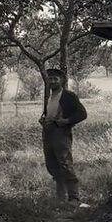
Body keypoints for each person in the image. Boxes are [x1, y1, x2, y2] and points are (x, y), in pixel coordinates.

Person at [39, 68, 87, 203]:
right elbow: (49, 112)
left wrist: (66, 121)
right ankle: (61, 197)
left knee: (65, 164)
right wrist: (43, 119)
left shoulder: (68, 96)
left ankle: (74, 198)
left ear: (62, 80)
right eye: (50, 78)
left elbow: (82, 114)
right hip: (48, 133)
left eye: (55, 78)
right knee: (52, 165)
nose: (52, 81)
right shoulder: (49, 96)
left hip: (61, 133)